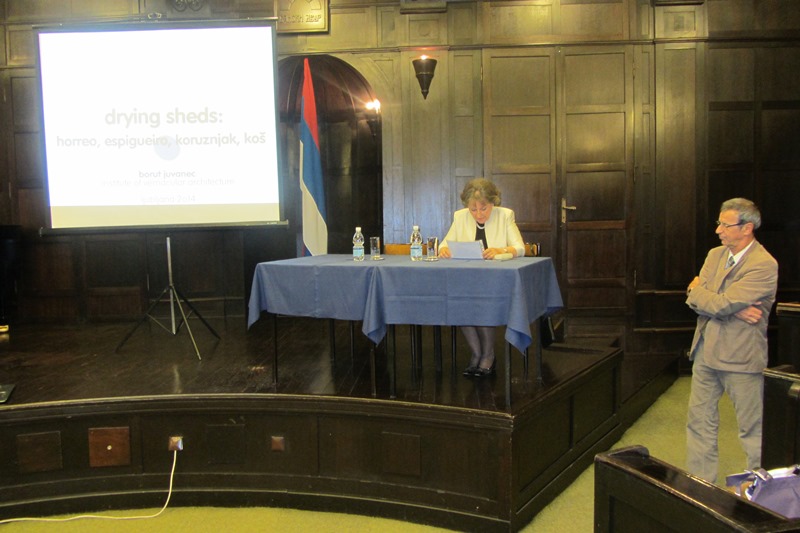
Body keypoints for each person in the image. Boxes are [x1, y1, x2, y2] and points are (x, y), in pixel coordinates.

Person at [685, 198, 778, 483]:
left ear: (747, 228)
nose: (718, 230)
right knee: (699, 422)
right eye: (719, 223)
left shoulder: (764, 264)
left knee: (753, 429)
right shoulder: (715, 255)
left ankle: (761, 491)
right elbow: (696, 299)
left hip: (740, 358)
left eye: (725, 225)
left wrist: (708, 296)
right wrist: (733, 308)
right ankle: (701, 485)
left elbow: (716, 301)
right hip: (705, 351)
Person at [438, 178, 525, 378]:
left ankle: (488, 355)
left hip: (495, 281)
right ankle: (476, 353)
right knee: (460, 304)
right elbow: (443, 245)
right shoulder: (460, 217)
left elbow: (520, 248)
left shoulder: (505, 215)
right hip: (467, 279)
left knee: (482, 305)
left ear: (493, 203)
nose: (478, 214)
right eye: (473, 209)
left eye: (483, 208)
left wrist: (501, 250)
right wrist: (443, 250)